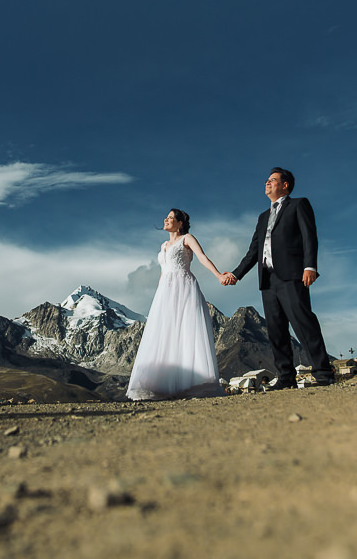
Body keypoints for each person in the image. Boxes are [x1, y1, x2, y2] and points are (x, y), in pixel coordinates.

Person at [221, 167, 333, 389]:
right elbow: (253, 251)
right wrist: (235, 274)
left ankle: (323, 374)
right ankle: (286, 378)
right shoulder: (263, 217)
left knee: (303, 323)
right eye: (267, 180)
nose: (267, 183)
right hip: (267, 280)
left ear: (285, 185)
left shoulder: (299, 205)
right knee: (276, 330)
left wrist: (310, 266)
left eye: (272, 180)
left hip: (292, 275)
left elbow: (309, 236)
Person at [126, 209, 227, 400]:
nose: (166, 219)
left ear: (180, 223)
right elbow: (163, 272)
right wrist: (159, 295)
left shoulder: (187, 239)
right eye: (166, 217)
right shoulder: (163, 245)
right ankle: (162, 384)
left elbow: (202, 257)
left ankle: (190, 383)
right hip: (166, 291)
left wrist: (219, 275)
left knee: (186, 331)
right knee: (165, 332)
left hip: (184, 287)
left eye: (171, 217)